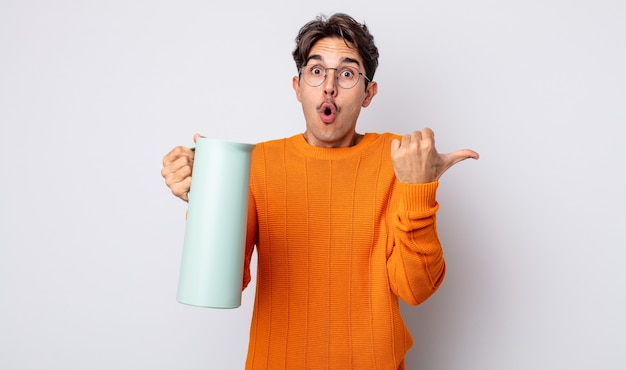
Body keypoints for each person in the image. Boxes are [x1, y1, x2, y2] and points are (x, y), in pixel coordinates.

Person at [161, 13, 478, 370]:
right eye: (316, 71)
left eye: (346, 73)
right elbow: (221, 286)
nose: (329, 86)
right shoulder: (258, 162)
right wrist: (207, 198)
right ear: (297, 87)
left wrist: (419, 189)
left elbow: (416, 289)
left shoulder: (398, 159)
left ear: (368, 93)